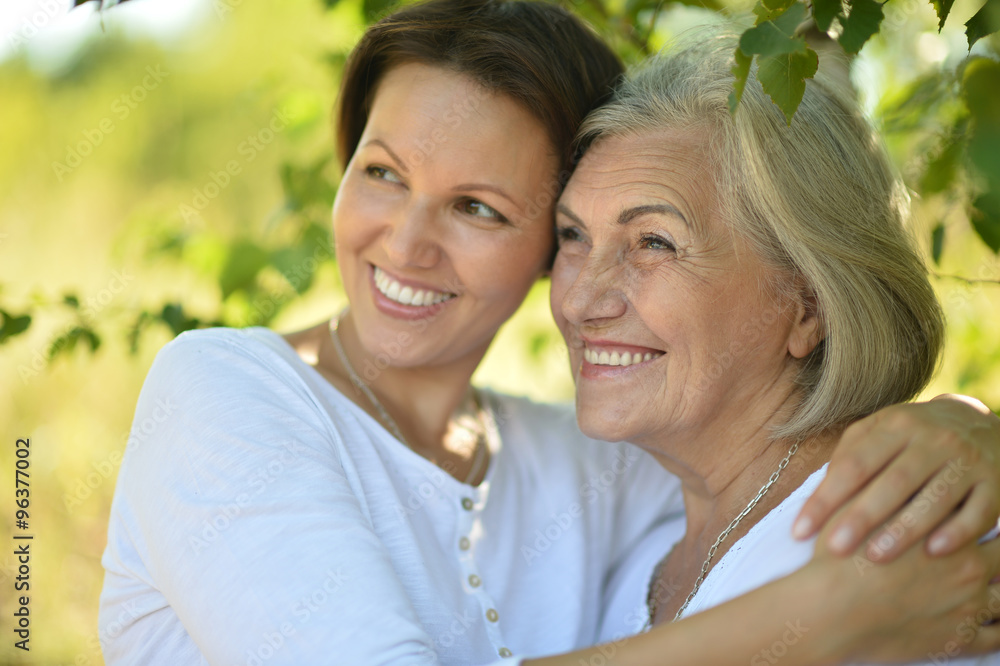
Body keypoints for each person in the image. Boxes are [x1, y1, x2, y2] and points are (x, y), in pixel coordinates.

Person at [99, 1, 1000, 664]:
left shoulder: (603, 469)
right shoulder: (223, 391)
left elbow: (767, 451)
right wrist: (827, 618)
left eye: (479, 207)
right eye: (381, 172)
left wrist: (968, 425)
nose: (406, 244)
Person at [549, 34, 1000, 663]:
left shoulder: (911, 540)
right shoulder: (640, 567)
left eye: (654, 242)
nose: (578, 301)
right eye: (572, 235)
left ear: (809, 304)